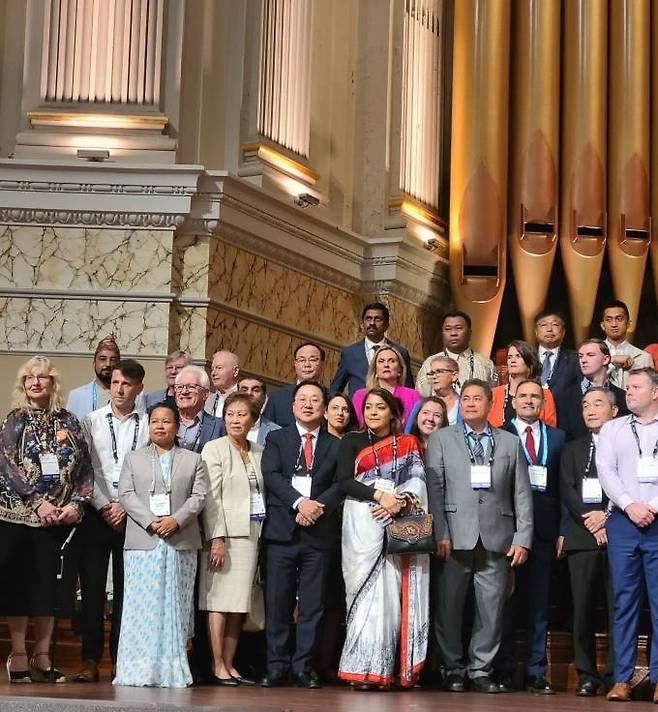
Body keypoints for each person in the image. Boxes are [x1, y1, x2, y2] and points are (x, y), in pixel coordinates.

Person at [425, 379, 533, 693]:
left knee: (491, 608)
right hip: (454, 536)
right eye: (467, 398)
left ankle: (480, 669)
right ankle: (453, 669)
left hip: (498, 537)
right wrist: (440, 533)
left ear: (491, 405)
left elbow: (522, 493)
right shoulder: (442, 439)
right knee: (449, 607)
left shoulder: (509, 442)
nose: (471, 403)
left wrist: (522, 536)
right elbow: (435, 489)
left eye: (478, 398)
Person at [0, 356, 92, 683]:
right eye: (29, 378)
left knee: (48, 590)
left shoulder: (69, 421)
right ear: (23, 384)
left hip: (59, 520)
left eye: (42, 377)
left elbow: (84, 469)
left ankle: (42, 656)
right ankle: (19, 655)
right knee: (20, 587)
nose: (36, 383)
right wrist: (38, 503)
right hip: (18, 519)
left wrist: (77, 505)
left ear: (53, 383)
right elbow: (8, 467)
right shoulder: (15, 420)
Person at [336, 388, 430, 688]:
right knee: (362, 594)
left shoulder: (408, 443)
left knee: (389, 595)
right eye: (368, 407)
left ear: (394, 413)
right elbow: (343, 482)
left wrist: (399, 501)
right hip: (360, 524)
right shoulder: (352, 440)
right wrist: (379, 495)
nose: (373, 412)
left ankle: (382, 669)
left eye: (380, 407)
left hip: (394, 521)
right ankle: (358, 667)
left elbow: (417, 480)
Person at [113, 403, 208, 687]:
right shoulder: (133, 458)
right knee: (140, 607)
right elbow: (126, 494)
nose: (160, 426)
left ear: (177, 427)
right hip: (144, 541)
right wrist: (152, 521)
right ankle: (136, 669)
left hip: (180, 541)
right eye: (155, 421)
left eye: (167, 421)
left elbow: (199, 496)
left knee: (176, 606)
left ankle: (171, 669)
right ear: (148, 425)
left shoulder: (193, 460)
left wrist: (176, 520)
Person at [260, 380, 343, 688]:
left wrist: (316, 506)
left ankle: (303, 666)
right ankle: (277, 665)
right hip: (282, 531)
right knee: (277, 603)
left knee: (312, 605)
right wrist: (299, 503)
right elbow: (272, 475)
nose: (308, 404)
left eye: (315, 400)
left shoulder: (336, 444)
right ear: (293, 405)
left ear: (324, 407)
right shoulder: (277, 439)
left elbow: (341, 482)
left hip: (318, 533)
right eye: (303, 399)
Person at [75, 360, 150, 682]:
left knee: (126, 591)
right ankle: (90, 659)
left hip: (132, 515)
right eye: (116, 383)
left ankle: (122, 659)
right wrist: (106, 505)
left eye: (128, 385)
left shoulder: (148, 424)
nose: (121, 389)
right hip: (96, 513)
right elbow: (85, 469)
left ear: (139, 388)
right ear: (110, 384)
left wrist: (124, 505)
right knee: (92, 590)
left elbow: (148, 472)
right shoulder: (90, 421)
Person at [495, 379, 565, 694]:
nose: (528, 400)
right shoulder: (499, 434)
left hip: (546, 532)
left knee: (539, 604)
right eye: (522, 395)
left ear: (543, 402)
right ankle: (506, 668)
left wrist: (563, 529)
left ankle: (537, 671)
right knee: (506, 603)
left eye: (535, 396)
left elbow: (565, 489)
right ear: (512, 401)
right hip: (508, 532)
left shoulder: (559, 438)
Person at [597, 368, 658, 702]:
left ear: (655, 392)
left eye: (636, 387)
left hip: (657, 520)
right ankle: (622, 678)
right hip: (623, 521)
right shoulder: (613, 428)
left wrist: (651, 506)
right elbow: (606, 471)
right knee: (624, 601)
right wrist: (630, 505)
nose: (628, 391)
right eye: (628, 386)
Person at [199, 393, 265, 686]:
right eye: (230, 414)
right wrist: (217, 537)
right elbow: (212, 498)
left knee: (239, 603)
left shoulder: (260, 450)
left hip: (252, 535)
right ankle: (216, 664)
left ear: (253, 419)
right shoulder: (213, 449)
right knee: (219, 601)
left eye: (242, 415)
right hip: (224, 536)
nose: (235, 420)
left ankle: (230, 662)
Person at [560, 387, 617, 697]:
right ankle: (586, 673)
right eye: (585, 405)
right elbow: (567, 488)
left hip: (615, 532)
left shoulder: (625, 445)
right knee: (580, 608)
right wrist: (589, 519)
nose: (590, 410)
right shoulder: (573, 448)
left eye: (598, 404)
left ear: (614, 411)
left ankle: (615, 673)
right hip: (581, 535)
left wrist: (605, 518)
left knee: (615, 607)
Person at [329, 302, 413, 396]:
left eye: (378, 319)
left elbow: (408, 388)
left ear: (386, 325)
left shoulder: (400, 352)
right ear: (362, 324)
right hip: (358, 408)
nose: (372, 323)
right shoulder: (350, 353)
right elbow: (335, 389)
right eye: (368, 319)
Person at [556, 339, 628, 441]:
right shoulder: (565, 396)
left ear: (606, 359)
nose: (583, 360)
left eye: (590, 355)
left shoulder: (622, 397)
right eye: (580, 356)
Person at [416, 311, 497, 396]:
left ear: (469, 333)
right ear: (442, 334)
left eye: (458, 328)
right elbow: (421, 399)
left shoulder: (486, 364)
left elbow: (494, 399)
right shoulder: (430, 363)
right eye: (448, 329)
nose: (453, 333)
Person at [489, 340, 557, 428]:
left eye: (518, 356)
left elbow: (550, 429)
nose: (512, 360)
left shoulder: (545, 394)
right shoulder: (494, 394)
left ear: (529, 363)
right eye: (509, 357)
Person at [351, 346, 421, 429]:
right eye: (381, 361)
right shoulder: (360, 396)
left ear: (400, 370)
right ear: (375, 369)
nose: (386, 365)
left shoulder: (413, 396)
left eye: (392, 361)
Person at [263, 343, 326, 427]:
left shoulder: (332, 398)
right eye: (302, 360)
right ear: (295, 364)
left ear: (322, 364)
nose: (307, 365)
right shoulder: (276, 398)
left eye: (313, 360)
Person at [600, 300, 653, 389]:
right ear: (602, 325)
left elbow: (649, 392)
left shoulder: (643, 358)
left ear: (628, 324)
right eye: (609, 320)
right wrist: (611, 361)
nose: (614, 324)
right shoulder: (592, 355)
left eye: (619, 319)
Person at [66, 335, 121, 419]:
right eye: (102, 359)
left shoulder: (131, 395)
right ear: (94, 363)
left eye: (113, 360)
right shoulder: (76, 396)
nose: (108, 364)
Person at [175, 365, 225, 453]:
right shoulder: (163, 421)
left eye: (191, 387)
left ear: (205, 394)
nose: (184, 392)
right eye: (179, 387)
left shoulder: (219, 427)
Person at [534, 310, 581, 402]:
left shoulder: (575, 359)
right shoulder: (526, 358)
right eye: (544, 325)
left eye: (555, 325)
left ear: (563, 332)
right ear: (536, 332)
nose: (549, 329)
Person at [237, 376, 281, 445]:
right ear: (236, 396)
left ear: (264, 398)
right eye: (244, 390)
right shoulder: (222, 426)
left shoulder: (277, 432)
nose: (249, 393)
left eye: (255, 390)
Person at [204, 350, 241, 418]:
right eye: (212, 369)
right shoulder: (207, 400)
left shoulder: (246, 399)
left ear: (235, 371)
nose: (213, 373)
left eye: (219, 368)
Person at [426, 355, 461, 424]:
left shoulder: (464, 405)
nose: (434, 376)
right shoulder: (422, 405)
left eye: (439, 372)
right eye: (432, 373)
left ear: (454, 376)